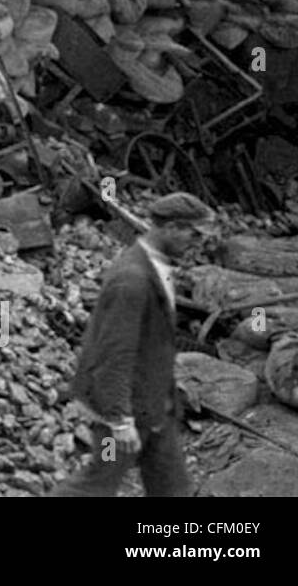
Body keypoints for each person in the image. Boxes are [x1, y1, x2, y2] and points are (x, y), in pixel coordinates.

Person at [52, 192, 216, 497]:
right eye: (193, 234)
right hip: (120, 416)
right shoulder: (132, 279)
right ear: (171, 227)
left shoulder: (156, 266)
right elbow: (114, 354)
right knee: (98, 481)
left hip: (155, 409)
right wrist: (119, 420)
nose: (197, 243)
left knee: (172, 488)